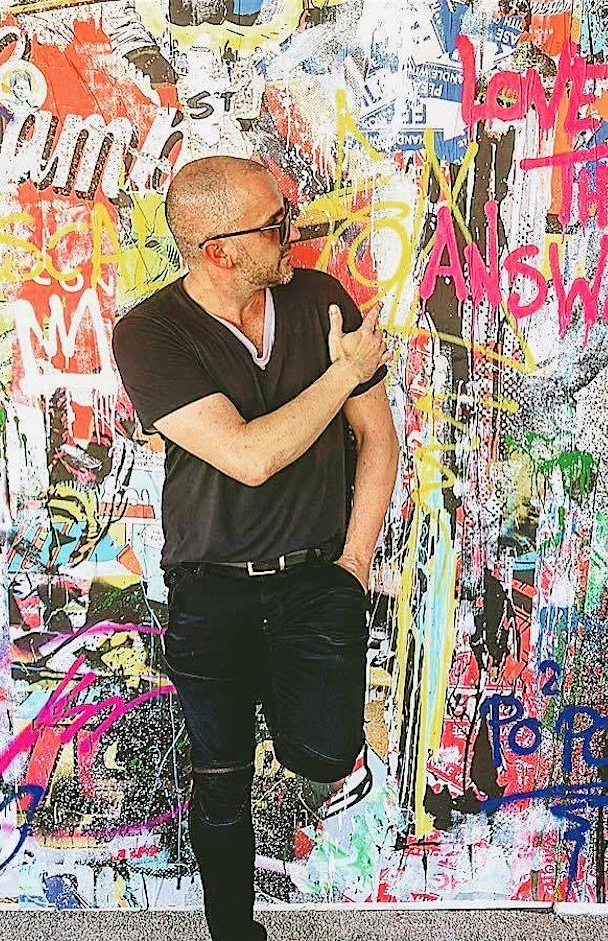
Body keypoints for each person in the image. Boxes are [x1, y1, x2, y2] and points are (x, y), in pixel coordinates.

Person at [111, 155, 399, 940]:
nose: (292, 230)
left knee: (328, 751)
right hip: (210, 589)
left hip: (315, 580)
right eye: (275, 224)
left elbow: (379, 439)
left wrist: (354, 566)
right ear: (219, 251)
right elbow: (248, 455)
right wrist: (342, 376)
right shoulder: (150, 332)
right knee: (222, 783)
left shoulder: (322, 301)